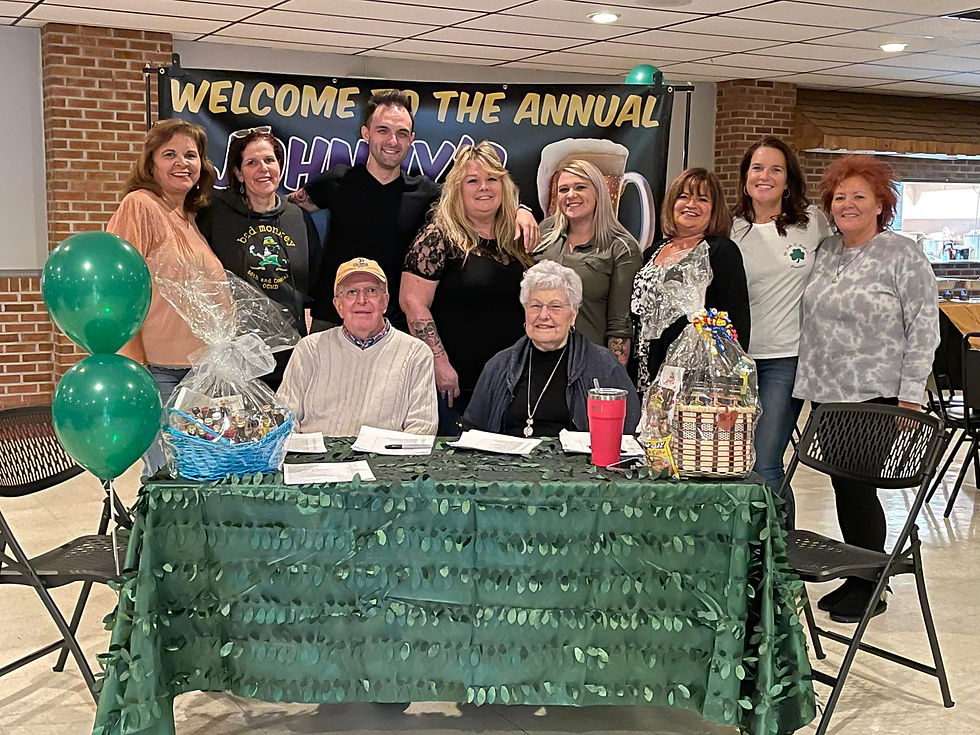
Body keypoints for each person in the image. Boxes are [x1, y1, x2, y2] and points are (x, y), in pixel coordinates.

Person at [794, 155, 939, 624]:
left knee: (858, 489)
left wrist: (911, 395)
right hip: (827, 392)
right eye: (840, 197)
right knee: (843, 485)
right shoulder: (827, 251)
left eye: (859, 196)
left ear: (880, 205)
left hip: (876, 393)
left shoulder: (901, 254)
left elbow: (924, 328)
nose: (847, 204)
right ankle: (860, 572)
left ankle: (871, 583)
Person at [289, 90, 538, 332]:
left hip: (396, 329)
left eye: (402, 133)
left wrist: (520, 210)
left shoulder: (428, 193)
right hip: (334, 320)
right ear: (366, 133)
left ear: (411, 139)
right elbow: (283, 208)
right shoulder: (336, 182)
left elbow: (477, 200)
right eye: (383, 130)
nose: (392, 141)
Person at [107, 118, 226, 475]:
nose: (182, 163)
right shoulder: (140, 206)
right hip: (158, 371)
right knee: (167, 478)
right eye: (169, 154)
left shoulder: (189, 218)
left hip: (201, 370)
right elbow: (118, 287)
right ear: (150, 164)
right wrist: (134, 366)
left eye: (190, 155)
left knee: (200, 474)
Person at [730, 137, 831, 520]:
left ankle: (781, 547)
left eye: (776, 169)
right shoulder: (731, 228)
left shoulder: (811, 222)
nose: (765, 176)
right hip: (736, 363)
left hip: (786, 359)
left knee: (766, 460)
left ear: (788, 180)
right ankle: (750, 542)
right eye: (757, 168)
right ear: (745, 177)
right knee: (736, 460)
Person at [401, 142, 533, 434]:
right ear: (457, 189)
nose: (483, 187)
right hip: (457, 384)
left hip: (511, 381)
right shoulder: (438, 236)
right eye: (472, 180)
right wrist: (439, 363)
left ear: (504, 185)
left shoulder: (516, 238)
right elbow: (412, 301)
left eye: (491, 179)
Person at [197, 126, 322, 390]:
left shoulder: (298, 218)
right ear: (238, 173)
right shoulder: (216, 215)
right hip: (235, 357)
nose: (263, 168)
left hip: (290, 354)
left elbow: (314, 283)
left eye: (269, 160)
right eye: (251, 163)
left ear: (280, 166)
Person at [465, 260, 641, 436]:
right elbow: (472, 431)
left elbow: (629, 433)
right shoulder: (499, 366)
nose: (543, 315)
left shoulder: (604, 366)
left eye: (555, 307)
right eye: (535, 306)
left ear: (573, 314)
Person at [277, 257, 437, 436]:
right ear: (338, 305)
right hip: (316, 454)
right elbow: (284, 422)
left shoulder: (416, 354)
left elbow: (423, 428)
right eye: (352, 292)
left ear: (385, 301)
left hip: (385, 454)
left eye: (371, 291)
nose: (362, 300)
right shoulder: (309, 349)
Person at [631, 167, 750, 393]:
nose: (691, 204)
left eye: (702, 199)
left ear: (714, 209)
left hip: (696, 377)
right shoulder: (653, 252)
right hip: (645, 369)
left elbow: (737, 321)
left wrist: (728, 380)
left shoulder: (721, 251)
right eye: (683, 196)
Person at [534, 159, 642, 366]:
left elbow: (619, 326)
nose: (571, 195)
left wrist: (611, 375)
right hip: (537, 361)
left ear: (599, 192)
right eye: (563, 189)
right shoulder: (544, 234)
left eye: (580, 187)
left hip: (588, 364)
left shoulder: (621, 247)